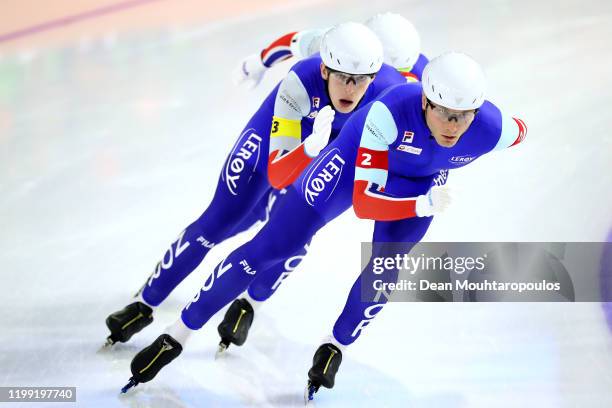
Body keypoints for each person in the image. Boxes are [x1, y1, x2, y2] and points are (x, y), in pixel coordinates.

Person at [122, 52, 527, 400]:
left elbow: (520, 129)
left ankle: (336, 346)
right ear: (425, 101)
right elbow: (368, 204)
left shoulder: (493, 129)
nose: (453, 126)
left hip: (418, 184)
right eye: (443, 112)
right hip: (353, 163)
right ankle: (176, 335)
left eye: (463, 116)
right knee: (271, 247)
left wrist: (423, 194)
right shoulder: (390, 113)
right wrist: (421, 202)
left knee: (385, 271)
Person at [105, 22, 406, 348]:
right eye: (343, 77)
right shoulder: (309, 72)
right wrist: (259, 63)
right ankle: (145, 302)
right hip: (278, 137)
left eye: (363, 79)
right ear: (326, 67)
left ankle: (250, 302)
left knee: (292, 235)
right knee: (222, 220)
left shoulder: (394, 90)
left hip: (330, 146)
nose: (352, 88)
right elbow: (293, 42)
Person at [235, 12, 427, 89]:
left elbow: (291, 42)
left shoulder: (420, 79)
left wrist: (260, 63)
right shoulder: (338, 46)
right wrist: (258, 63)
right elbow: (294, 42)